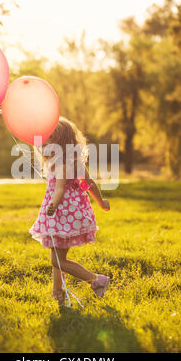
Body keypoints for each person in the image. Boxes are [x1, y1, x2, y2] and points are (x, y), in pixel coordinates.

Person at [29, 117, 110, 305]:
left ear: (59, 144)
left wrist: (53, 205)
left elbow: (59, 189)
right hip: (73, 214)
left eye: (48, 141)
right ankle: (58, 292)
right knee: (60, 256)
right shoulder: (74, 161)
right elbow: (89, 183)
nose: (44, 146)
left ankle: (96, 280)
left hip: (62, 214)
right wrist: (101, 201)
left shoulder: (62, 164)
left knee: (57, 260)